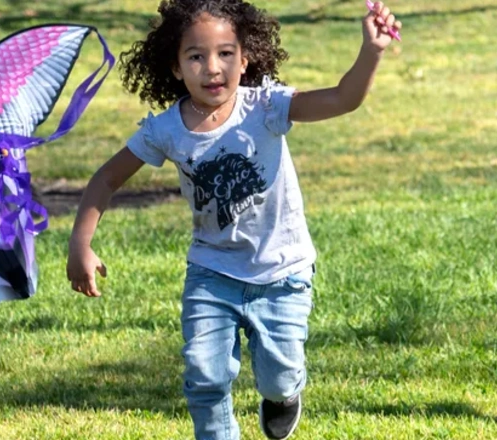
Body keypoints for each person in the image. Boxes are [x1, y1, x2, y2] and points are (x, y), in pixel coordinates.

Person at [66, 1, 401, 439]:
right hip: (212, 272)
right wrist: (80, 245)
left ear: (245, 59)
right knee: (204, 376)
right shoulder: (165, 130)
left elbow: (342, 98)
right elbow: (107, 178)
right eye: (196, 56)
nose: (212, 68)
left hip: (282, 272)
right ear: (175, 66)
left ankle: (283, 395)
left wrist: (371, 51)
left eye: (226, 53)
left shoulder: (266, 107)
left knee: (279, 375)